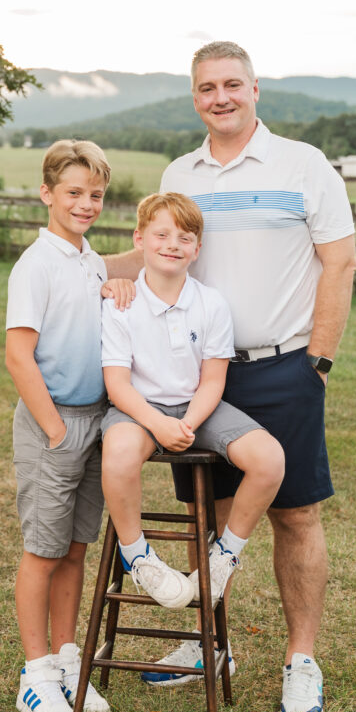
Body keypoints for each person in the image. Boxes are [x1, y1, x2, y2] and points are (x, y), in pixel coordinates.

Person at [108, 42, 356, 712]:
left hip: (286, 367)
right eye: (205, 88)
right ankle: (206, 645)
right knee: (209, 517)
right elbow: (155, 248)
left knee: (295, 515)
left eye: (231, 85)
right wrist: (88, 265)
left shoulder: (302, 165)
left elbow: (337, 264)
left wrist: (319, 362)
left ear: (255, 90)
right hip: (197, 377)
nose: (219, 97)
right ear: (194, 97)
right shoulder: (180, 172)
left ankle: (300, 659)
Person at [100, 192, 284, 621]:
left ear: (197, 249)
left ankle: (224, 557)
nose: (172, 245)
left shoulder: (211, 303)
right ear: (140, 239)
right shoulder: (121, 302)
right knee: (120, 453)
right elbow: (117, 386)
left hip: (198, 406)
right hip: (137, 407)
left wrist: (188, 424)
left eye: (184, 238)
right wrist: (157, 424)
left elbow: (213, 380)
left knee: (269, 458)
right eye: (161, 234)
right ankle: (138, 555)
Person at [5, 139, 132, 712]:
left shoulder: (89, 260)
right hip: (53, 424)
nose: (86, 204)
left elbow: (115, 280)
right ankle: (34, 675)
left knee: (77, 549)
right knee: (43, 551)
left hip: (97, 421)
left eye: (96, 195)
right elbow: (18, 355)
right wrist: (55, 429)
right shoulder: (37, 264)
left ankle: (64, 661)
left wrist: (126, 279)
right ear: (47, 193)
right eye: (75, 193)